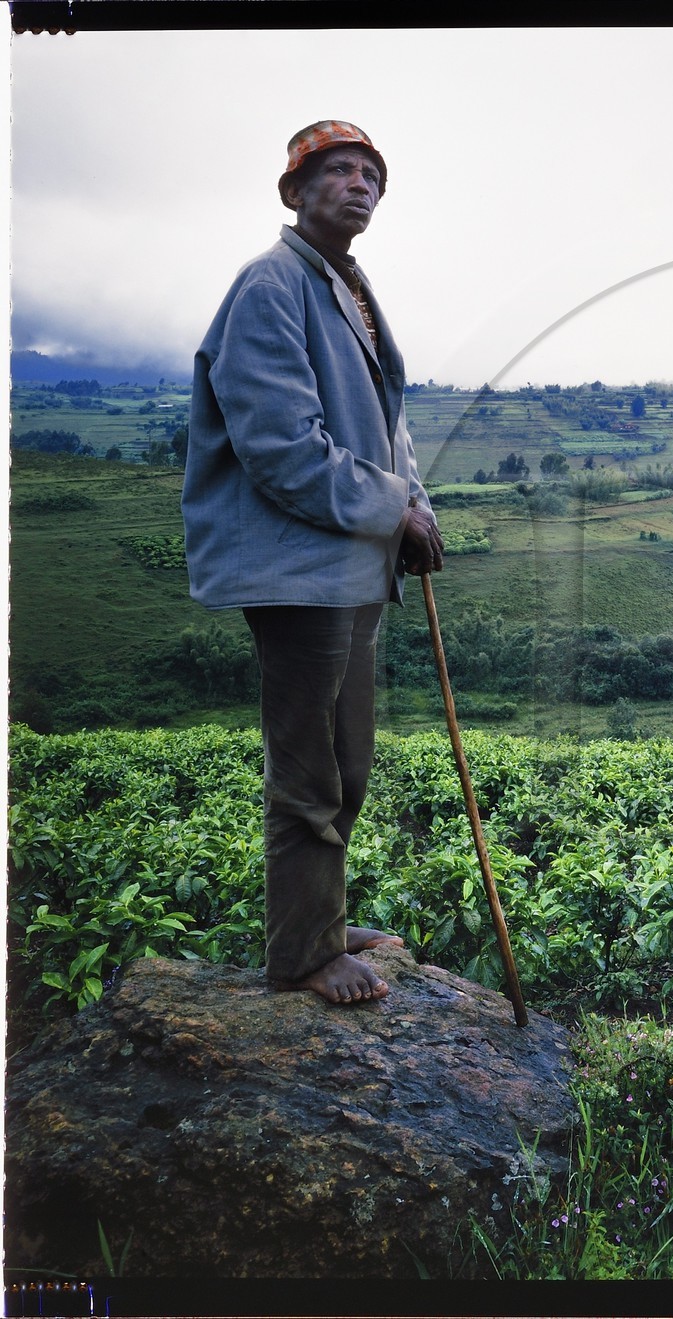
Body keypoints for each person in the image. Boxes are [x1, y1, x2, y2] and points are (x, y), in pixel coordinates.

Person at [182, 120, 444, 1005]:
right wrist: (394, 509)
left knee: (346, 761)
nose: (359, 183)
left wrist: (415, 503)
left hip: (348, 565)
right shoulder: (271, 285)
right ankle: (301, 954)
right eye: (337, 170)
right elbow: (283, 447)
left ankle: (319, 919)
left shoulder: (348, 288)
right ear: (295, 192)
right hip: (300, 569)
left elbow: (390, 432)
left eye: (371, 172)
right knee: (308, 771)